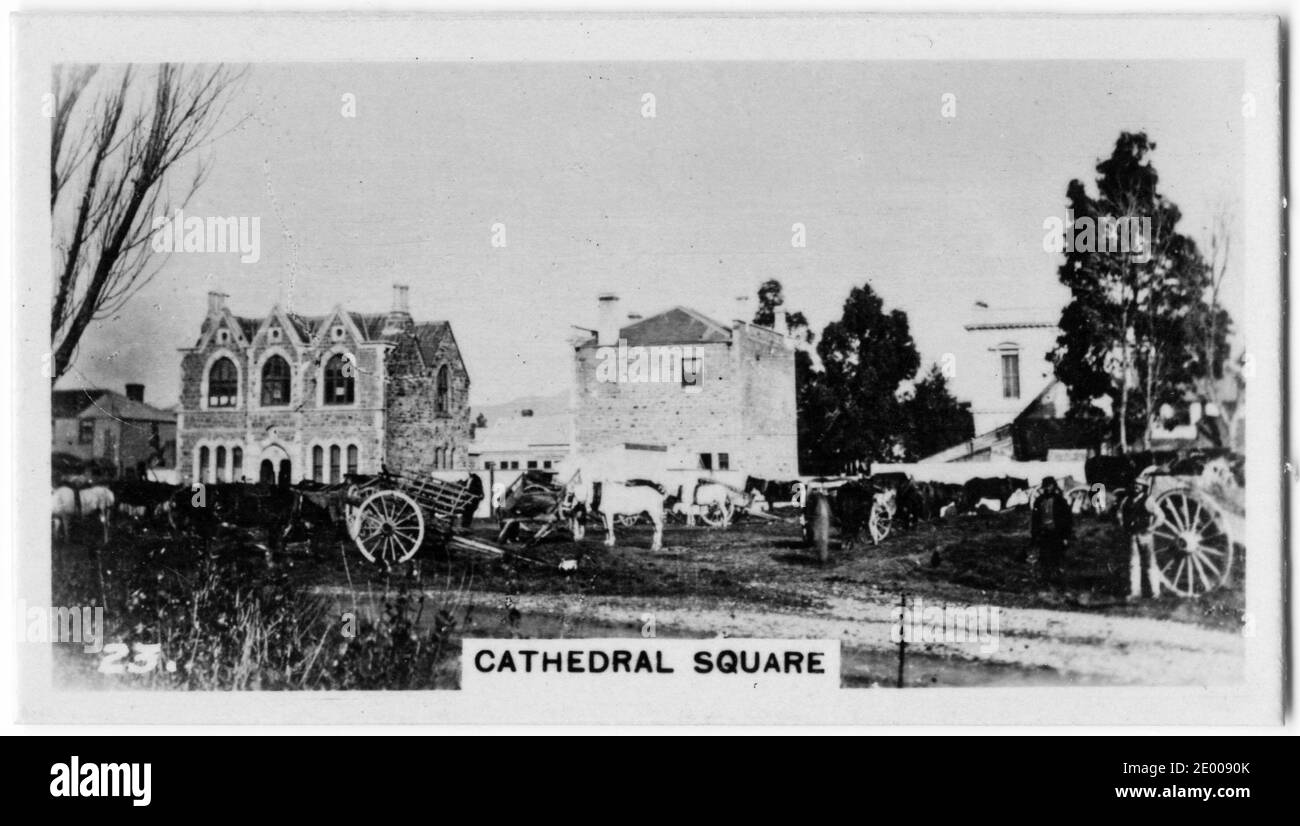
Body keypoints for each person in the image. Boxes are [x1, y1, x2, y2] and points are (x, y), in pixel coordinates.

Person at [1030, 476, 1072, 582]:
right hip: (1044, 533)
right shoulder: (1039, 501)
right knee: (1044, 556)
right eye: (1046, 487)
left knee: (1057, 555)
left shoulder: (1060, 501)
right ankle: (1045, 578)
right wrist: (1034, 535)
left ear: (1054, 486)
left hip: (1056, 533)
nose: (1048, 488)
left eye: (1050, 486)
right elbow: (1035, 519)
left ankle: (1057, 578)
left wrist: (1066, 536)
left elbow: (1067, 520)